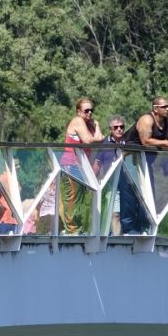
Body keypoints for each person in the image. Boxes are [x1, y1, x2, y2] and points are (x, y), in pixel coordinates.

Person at [121, 96, 168, 235]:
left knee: (148, 194)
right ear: (155, 109)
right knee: (130, 195)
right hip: (129, 159)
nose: (167, 109)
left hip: (146, 162)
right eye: (164, 107)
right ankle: (129, 230)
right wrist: (166, 143)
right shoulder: (146, 120)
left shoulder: (167, 123)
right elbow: (145, 141)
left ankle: (144, 228)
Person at [61, 97, 103, 234]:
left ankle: (79, 229)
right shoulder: (77, 121)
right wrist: (95, 138)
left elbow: (100, 138)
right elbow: (88, 140)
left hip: (82, 166)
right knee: (72, 199)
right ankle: (71, 230)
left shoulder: (89, 124)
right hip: (71, 165)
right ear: (79, 111)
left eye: (91, 110)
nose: (89, 113)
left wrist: (97, 125)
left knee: (81, 200)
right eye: (86, 110)